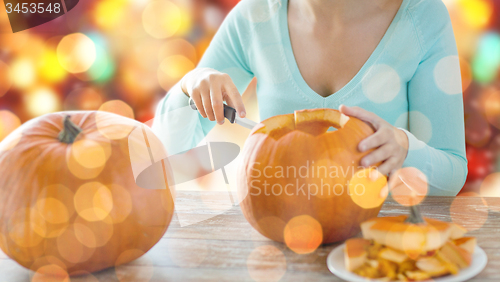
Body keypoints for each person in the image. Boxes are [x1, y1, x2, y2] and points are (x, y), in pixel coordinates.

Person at [152, 0, 467, 196]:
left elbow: (452, 172)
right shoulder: (255, 16)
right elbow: (166, 159)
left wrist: (404, 149)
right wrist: (188, 87)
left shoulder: (423, 16)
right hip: (277, 240)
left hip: (380, 245)